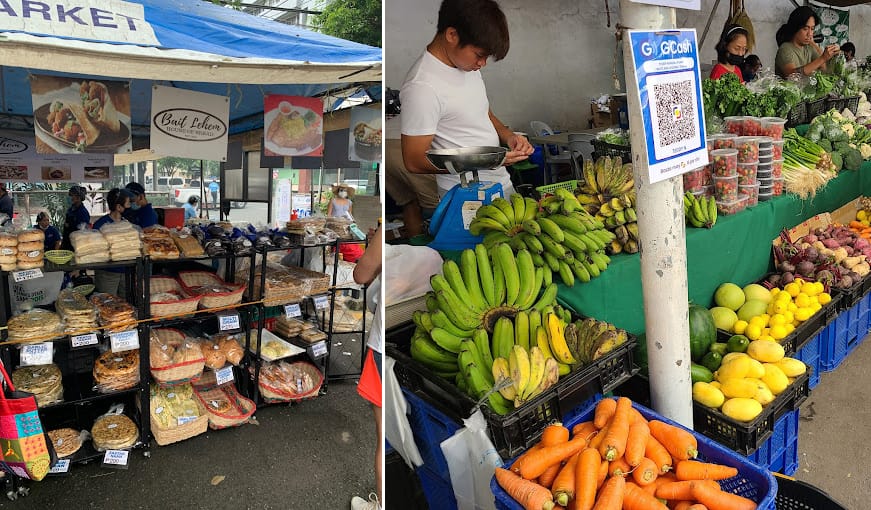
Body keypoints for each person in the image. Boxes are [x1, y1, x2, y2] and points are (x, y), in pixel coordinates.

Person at [400, 0, 533, 200]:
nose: (482, 64)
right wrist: (490, 161)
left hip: (501, 182)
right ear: (452, 35)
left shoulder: (465, 65)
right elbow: (414, 161)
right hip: (464, 194)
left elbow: (483, 112)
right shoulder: (422, 87)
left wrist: (509, 136)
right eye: (479, 55)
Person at [350, 226, 382, 510]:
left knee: (383, 433)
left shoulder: (383, 236)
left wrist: (374, 245)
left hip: (384, 348)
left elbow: (360, 275)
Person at [775, 6, 840, 78]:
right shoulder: (785, 48)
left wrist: (813, 43)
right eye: (805, 29)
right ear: (795, 28)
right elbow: (792, 77)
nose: (810, 34)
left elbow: (823, 68)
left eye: (812, 29)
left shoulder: (808, 47)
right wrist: (823, 58)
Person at [92, 188, 134, 297]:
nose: (131, 206)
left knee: (126, 305)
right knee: (107, 304)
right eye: (128, 203)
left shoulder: (128, 224)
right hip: (107, 274)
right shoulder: (100, 225)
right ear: (119, 207)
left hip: (127, 272)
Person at [62, 186, 90, 250]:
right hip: (67, 242)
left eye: (72, 196)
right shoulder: (70, 209)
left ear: (78, 197)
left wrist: (69, 225)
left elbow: (83, 232)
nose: (70, 198)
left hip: (76, 245)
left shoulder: (83, 212)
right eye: (70, 196)